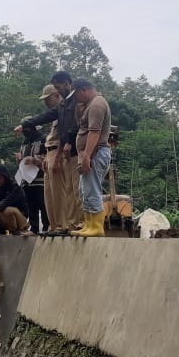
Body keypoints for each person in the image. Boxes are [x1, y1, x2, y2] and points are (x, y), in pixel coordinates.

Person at [14, 73, 83, 234]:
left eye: (48, 98)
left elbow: (71, 130)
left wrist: (58, 154)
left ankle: (67, 225)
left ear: (57, 94)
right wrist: (24, 124)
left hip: (64, 152)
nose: (46, 102)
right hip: (53, 152)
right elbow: (43, 117)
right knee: (51, 195)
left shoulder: (73, 105)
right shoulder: (61, 108)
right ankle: (55, 225)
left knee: (67, 191)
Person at [71, 78, 112, 237]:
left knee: (92, 189)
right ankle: (89, 224)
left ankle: (96, 227)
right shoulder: (89, 105)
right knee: (84, 191)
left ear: (84, 90)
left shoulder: (97, 104)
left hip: (95, 153)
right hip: (89, 154)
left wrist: (87, 156)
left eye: (76, 95)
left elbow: (94, 133)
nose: (76, 99)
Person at [17, 118, 49, 234]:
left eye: (26, 128)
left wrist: (35, 160)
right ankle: (34, 227)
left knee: (43, 203)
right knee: (31, 204)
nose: (25, 131)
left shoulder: (43, 139)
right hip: (27, 178)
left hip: (40, 177)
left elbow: (48, 157)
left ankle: (46, 226)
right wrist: (20, 159)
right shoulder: (25, 142)